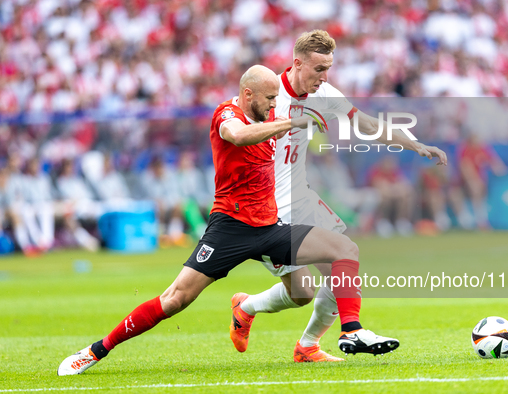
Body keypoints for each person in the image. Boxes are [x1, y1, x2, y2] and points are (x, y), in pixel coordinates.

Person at [57, 65, 399, 376]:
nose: (273, 104)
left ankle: (349, 330)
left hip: (270, 227)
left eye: (276, 98)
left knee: (339, 255)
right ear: (248, 94)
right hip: (230, 229)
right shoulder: (227, 113)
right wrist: (290, 123)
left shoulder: (270, 113)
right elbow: (238, 135)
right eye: (269, 98)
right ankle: (95, 351)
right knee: (175, 299)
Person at [231, 30, 448, 363]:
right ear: (297, 63)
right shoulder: (268, 95)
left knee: (343, 263)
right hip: (268, 211)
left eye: (329, 68)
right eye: (319, 68)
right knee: (302, 293)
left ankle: (309, 345)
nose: (325, 76)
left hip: (301, 197)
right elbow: (235, 137)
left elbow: (364, 123)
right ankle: (246, 308)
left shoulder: (325, 93)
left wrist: (414, 143)